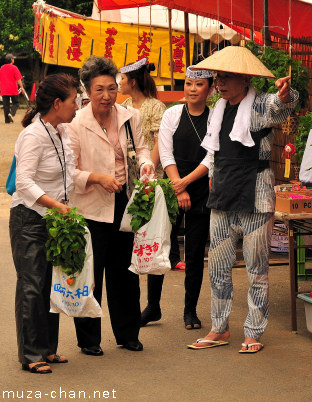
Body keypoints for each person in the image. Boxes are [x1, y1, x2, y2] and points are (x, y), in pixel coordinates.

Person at [187, 46, 298, 353]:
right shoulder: (218, 109)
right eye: (218, 77)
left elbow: (281, 106)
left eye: (227, 76)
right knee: (218, 268)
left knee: (256, 270)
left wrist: (287, 94)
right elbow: (213, 152)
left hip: (255, 197)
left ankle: (253, 331)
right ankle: (219, 328)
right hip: (222, 196)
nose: (220, 82)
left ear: (244, 79)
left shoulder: (260, 104)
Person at [67, 56, 154, 356]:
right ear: (88, 91)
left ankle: (128, 333)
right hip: (90, 205)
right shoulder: (76, 124)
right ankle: (89, 340)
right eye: (99, 89)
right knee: (91, 274)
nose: (106, 96)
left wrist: (145, 165)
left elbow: (141, 149)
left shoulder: (131, 116)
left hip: (124, 202)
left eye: (112, 88)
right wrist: (96, 178)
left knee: (124, 271)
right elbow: (69, 172)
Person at [9, 73, 80, 373]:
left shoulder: (61, 131)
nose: (77, 106)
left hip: (53, 219)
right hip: (30, 218)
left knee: (51, 284)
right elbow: (23, 182)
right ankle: (31, 354)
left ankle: (48, 349)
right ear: (56, 103)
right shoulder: (33, 135)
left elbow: (69, 174)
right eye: (74, 101)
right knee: (32, 284)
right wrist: (55, 206)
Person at [141, 67, 213, 329]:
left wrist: (188, 183)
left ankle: (190, 310)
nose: (192, 89)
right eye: (189, 83)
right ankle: (153, 306)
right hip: (172, 187)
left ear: (211, 89)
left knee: (194, 253)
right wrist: (178, 187)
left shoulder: (215, 118)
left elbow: (211, 157)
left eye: (200, 84)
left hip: (200, 189)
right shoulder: (172, 113)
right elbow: (166, 151)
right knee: (161, 248)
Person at [118, 58, 184, 274]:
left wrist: (150, 167)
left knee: (159, 215)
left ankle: (167, 256)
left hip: (151, 170)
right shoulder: (124, 106)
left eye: (123, 79)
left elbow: (159, 141)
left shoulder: (156, 107)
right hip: (130, 171)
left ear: (133, 82)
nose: (120, 82)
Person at [1, 53, 26, 123]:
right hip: (13, 89)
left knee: (6, 105)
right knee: (16, 103)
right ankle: (11, 114)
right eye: (13, 58)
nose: (14, 59)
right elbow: (18, 79)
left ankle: (7, 120)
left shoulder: (2, 68)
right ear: (11, 60)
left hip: (4, 89)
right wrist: (22, 87)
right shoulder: (14, 68)